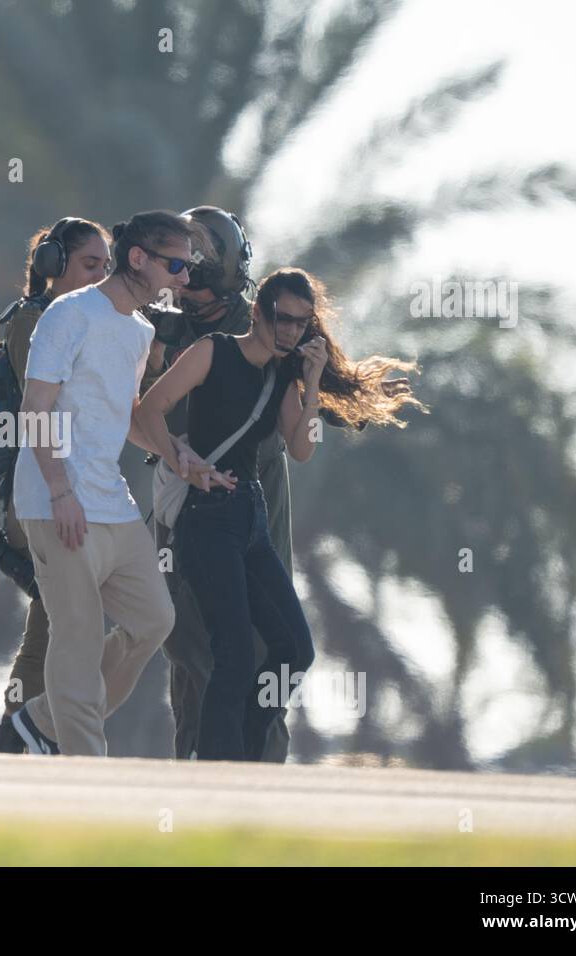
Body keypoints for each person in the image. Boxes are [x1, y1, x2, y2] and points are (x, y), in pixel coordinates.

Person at [134, 267, 422, 760]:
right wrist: (187, 465)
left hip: (251, 516)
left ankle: (241, 752)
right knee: (235, 656)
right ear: (260, 311)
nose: (290, 331)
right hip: (206, 519)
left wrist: (311, 384)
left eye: (301, 324)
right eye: (283, 319)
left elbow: (302, 448)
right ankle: (220, 769)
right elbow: (147, 410)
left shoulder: (284, 375)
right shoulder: (213, 352)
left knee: (293, 649)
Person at [8, 210, 223, 757]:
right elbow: (36, 407)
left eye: (188, 266)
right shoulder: (69, 314)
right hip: (55, 500)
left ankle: (45, 719)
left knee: (154, 619)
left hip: (111, 504)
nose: (183, 277)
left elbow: (126, 415)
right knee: (76, 641)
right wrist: (60, 491)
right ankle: (88, 775)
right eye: (175, 264)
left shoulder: (139, 330)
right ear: (138, 259)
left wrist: (181, 458)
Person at [0, 218, 113, 754]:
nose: (100, 277)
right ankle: (20, 738)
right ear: (55, 267)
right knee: (57, 625)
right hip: (43, 493)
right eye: (89, 265)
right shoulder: (39, 323)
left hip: (70, 492)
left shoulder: (76, 321)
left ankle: (24, 736)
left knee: (52, 625)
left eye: (107, 267)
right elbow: (52, 401)